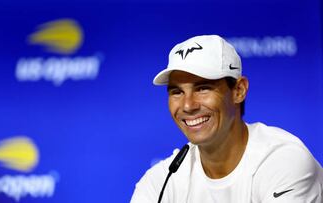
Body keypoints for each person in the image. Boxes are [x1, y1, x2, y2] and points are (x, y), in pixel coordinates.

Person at [130, 35, 323, 202]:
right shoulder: (161, 181)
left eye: (203, 88)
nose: (188, 106)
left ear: (239, 90)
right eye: (177, 92)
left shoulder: (282, 161)